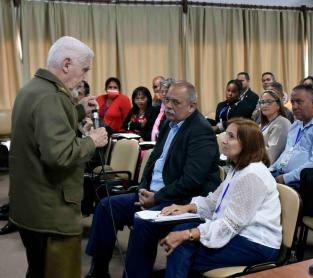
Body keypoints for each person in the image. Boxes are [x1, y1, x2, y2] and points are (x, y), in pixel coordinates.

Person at [85, 81, 221, 277]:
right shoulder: (168, 123)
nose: (169, 106)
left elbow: (191, 180)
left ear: (192, 106)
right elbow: (153, 161)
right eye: (167, 101)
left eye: (176, 102)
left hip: (181, 200)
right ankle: (98, 270)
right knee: (107, 206)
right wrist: (142, 189)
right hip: (154, 194)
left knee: (142, 222)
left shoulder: (201, 130)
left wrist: (156, 198)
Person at [9, 36, 108, 278]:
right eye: (84, 69)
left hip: (29, 206)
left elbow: (43, 129)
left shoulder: (32, 88)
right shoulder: (53, 97)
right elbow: (60, 156)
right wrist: (91, 141)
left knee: (38, 270)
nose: (85, 77)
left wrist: (77, 109)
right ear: (66, 64)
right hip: (53, 211)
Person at [152, 118, 281, 278]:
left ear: (247, 144)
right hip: (240, 233)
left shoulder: (252, 175)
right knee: (181, 235)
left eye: (231, 137)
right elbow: (215, 201)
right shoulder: (238, 167)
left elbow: (230, 224)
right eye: (226, 134)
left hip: (256, 244)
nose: (224, 140)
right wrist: (187, 208)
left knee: (182, 248)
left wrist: (188, 234)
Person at [259, 90, 291, 162]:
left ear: (278, 105)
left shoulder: (282, 123)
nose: (264, 105)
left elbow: (271, 156)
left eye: (269, 102)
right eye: (262, 102)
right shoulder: (264, 124)